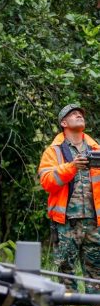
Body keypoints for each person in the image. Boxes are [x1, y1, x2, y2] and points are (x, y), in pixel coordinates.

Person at [38, 103, 100, 293]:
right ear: (63, 123)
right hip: (66, 222)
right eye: (73, 114)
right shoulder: (53, 151)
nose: (79, 115)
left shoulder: (96, 149)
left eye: (81, 114)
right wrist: (72, 166)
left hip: (94, 221)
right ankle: (69, 304)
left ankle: (96, 305)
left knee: (96, 270)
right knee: (66, 269)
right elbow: (47, 181)